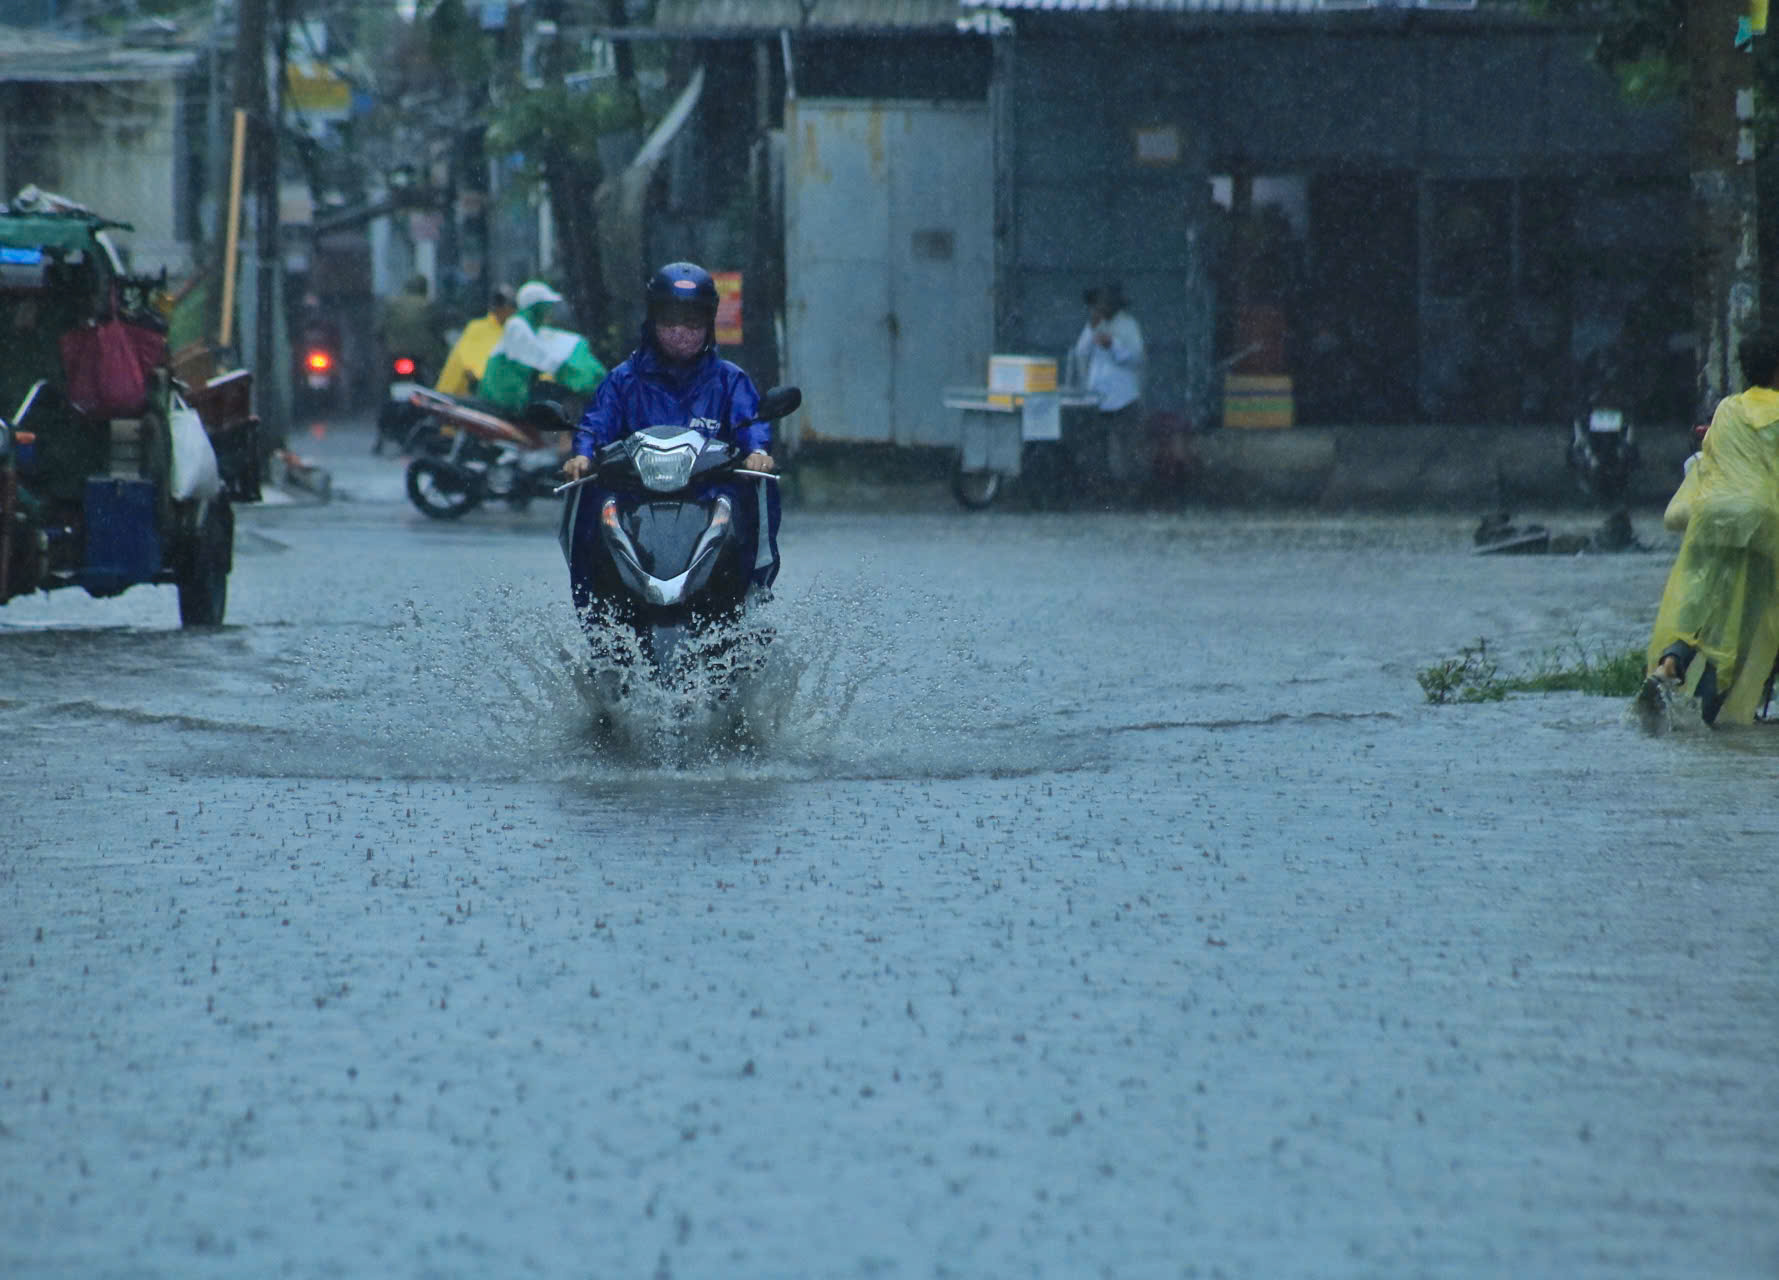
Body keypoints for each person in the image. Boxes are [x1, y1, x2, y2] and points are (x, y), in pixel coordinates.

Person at [562, 261, 780, 607]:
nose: (680, 331)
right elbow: (596, 422)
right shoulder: (623, 379)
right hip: (634, 496)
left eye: (692, 322)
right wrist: (583, 455)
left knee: (762, 482)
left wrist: (757, 451)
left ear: (709, 324)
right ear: (652, 322)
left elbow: (749, 424)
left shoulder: (729, 379)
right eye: (669, 321)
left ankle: (756, 583)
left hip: (709, 492)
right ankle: (590, 600)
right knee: (586, 492)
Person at [1638, 326, 1779, 728]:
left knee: (1704, 604)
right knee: (1741, 628)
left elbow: (1709, 463)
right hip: (1760, 523)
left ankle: (1671, 663)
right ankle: (1704, 721)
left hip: (1712, 515)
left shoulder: (1727, 409)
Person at [477, 279, 606, 414]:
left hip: (516, 391)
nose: (549, 311)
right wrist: (571, 373)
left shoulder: (531, 327)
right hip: (506, 394)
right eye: (546, 306)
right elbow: (540, 356)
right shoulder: (517, 325)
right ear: (536, 307)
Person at [1067, 283, 1146, 500]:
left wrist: (1113, 345)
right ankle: (1099, 491)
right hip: (1097, 397)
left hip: (1124, 397)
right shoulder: (1093, 325)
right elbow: (1081, 352)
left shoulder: (1128, 325)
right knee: (1095, 449)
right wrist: (1091, 330)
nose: (1099, 309)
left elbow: (1136, 357)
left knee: (1127, 450)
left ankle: (1131, 492)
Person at [433, 285, 515, 397]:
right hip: (470, 394)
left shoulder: (516, 329)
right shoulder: (477, 328)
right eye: (501, 306)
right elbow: (468, 359)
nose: (507, 310)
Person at [375, 274, 445, 380]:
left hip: (396, 354)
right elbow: (438, 330)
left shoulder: (393, 304)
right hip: (422, 356)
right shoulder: (428, 305)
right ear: (424, 288)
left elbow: (379, 330)